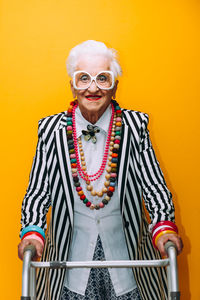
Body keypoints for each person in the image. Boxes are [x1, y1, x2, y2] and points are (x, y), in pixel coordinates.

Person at [18, 40, 183, 300]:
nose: (93, 87)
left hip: (129, 262)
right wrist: (32, 231)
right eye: (83, 78)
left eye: (102, 78)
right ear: (72, 85)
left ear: (115, 86)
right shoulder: (51, 131)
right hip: (70, 264)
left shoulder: (134, 126)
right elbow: (37, 192)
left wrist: (164, 226)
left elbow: (155, 186)